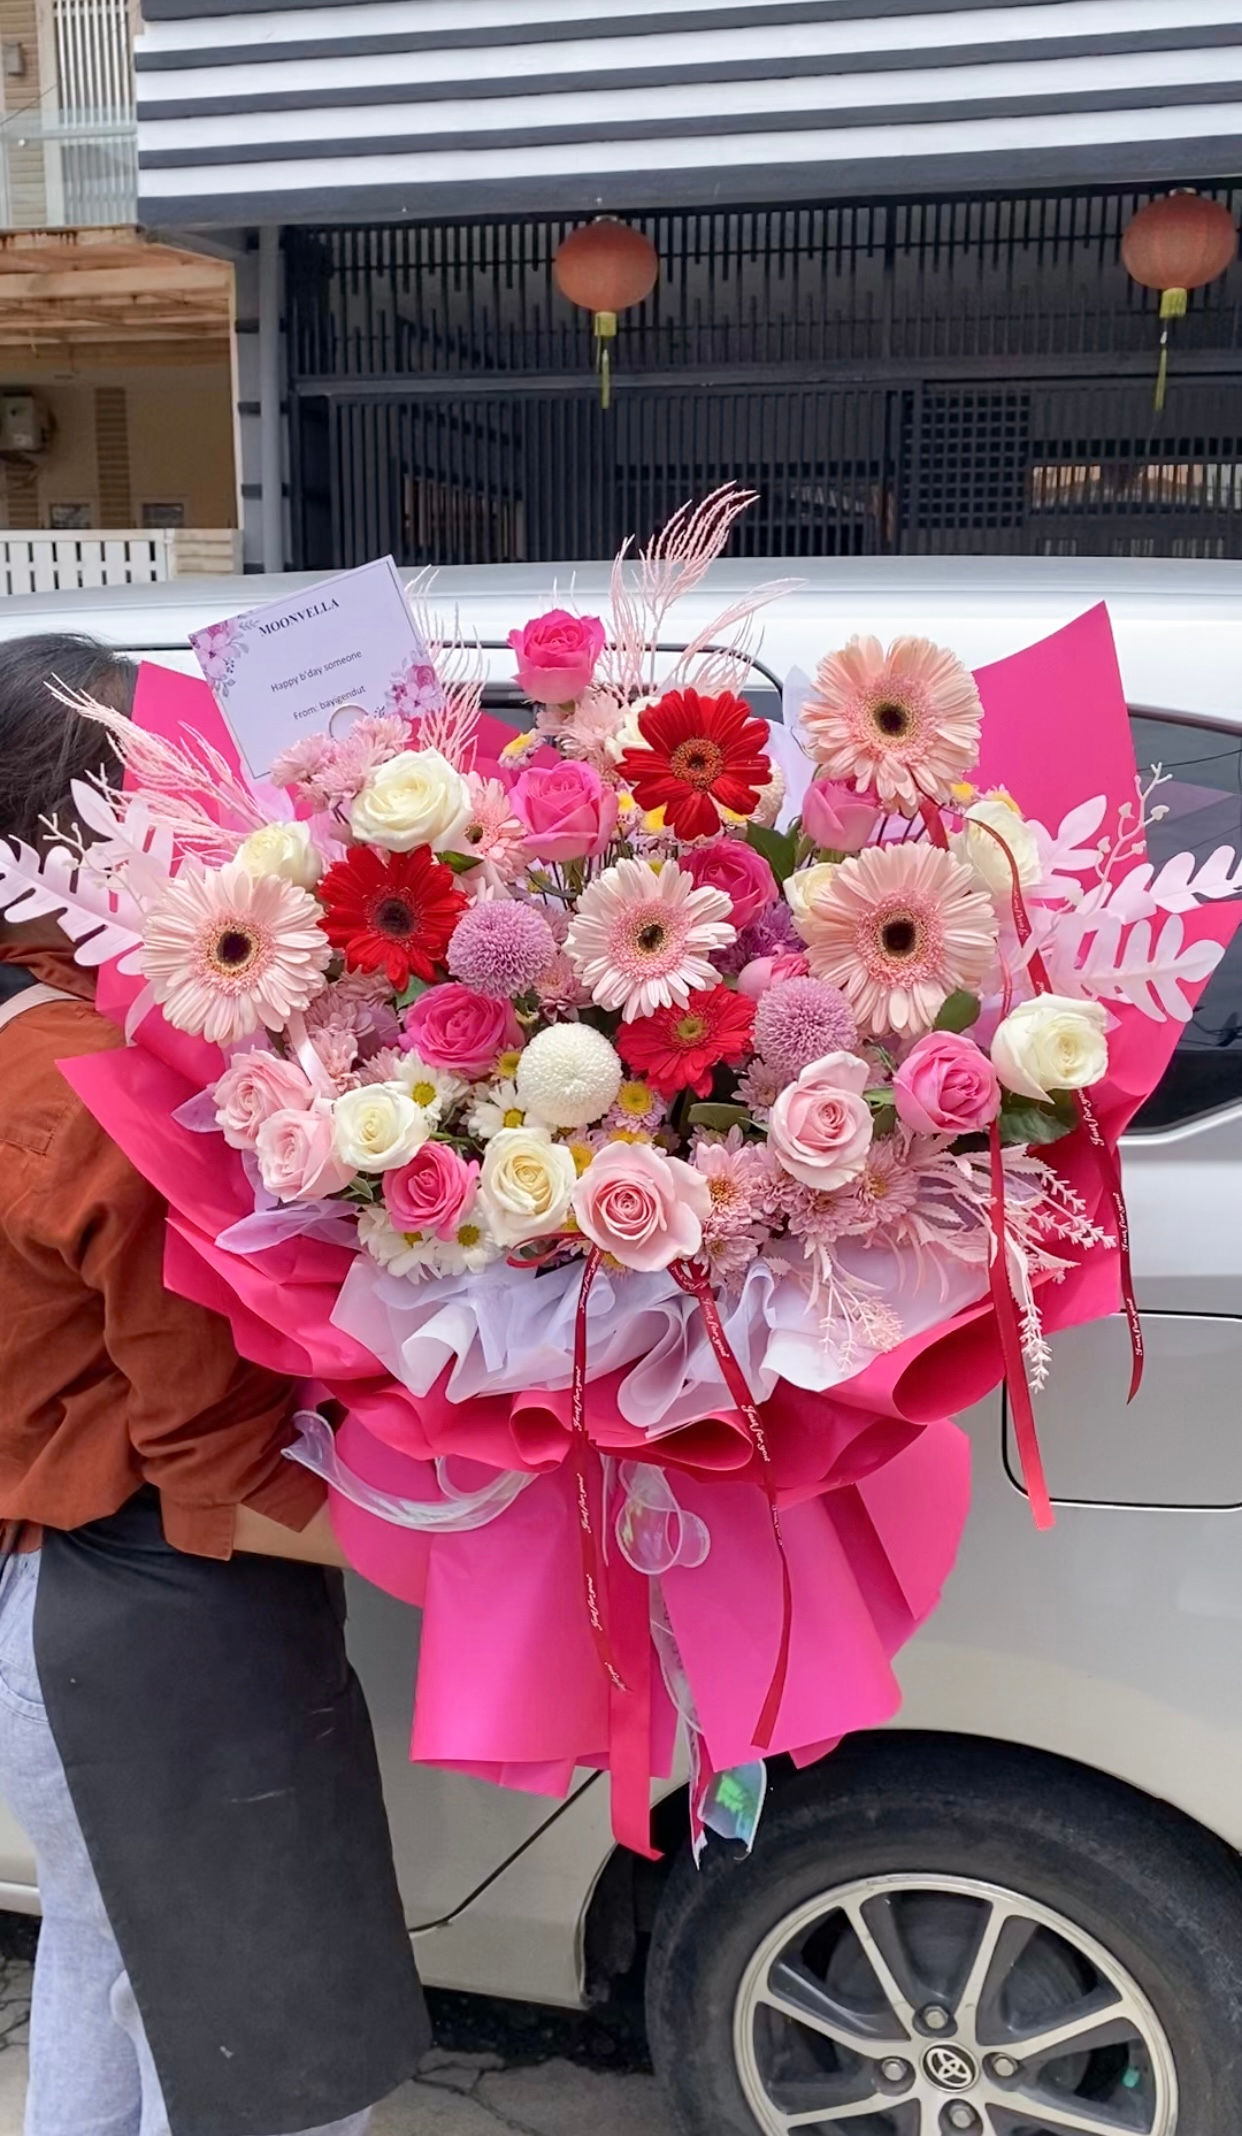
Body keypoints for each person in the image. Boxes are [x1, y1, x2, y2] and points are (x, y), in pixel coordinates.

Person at [0, 634, 429, 2136]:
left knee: (108, 1965)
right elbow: (214, 1482)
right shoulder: (97, 1093)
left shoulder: (47, 1047)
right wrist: (494, 1567)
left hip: (49, 1626)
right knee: (264, 2067)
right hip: (156, 1643)